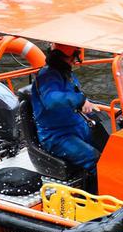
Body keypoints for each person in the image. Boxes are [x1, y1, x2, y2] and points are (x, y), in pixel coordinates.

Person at [31, 43, 102, 190]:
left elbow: (74, 97)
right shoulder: (46, 76)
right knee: (94, 159)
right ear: (69, 58)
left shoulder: (65, 74)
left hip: (77, 127)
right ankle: (101, 197)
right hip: (57, 136)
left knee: (111, 148)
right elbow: (52, 100)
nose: (74, 62)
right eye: (73, 58)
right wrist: (79, 100)